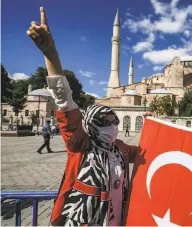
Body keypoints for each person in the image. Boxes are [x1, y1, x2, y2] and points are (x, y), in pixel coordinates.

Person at [27, 7, 140, 226]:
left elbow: (153, 149)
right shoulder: (81, 145)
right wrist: (50, 53)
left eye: (114, 121)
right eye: (105, 122)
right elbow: (65, 102)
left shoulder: (121, 150)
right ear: (91, 123)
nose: (113, 126)